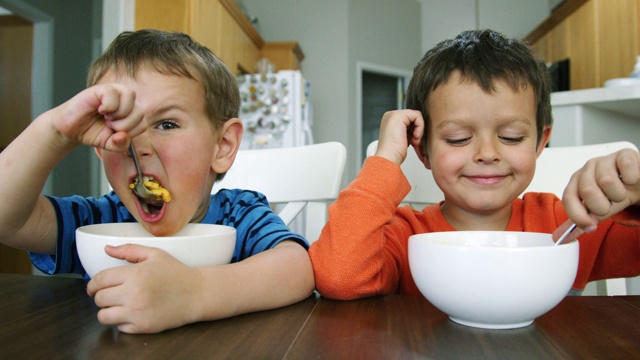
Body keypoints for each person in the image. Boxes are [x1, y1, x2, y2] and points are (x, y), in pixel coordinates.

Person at [0, 29, 314, 333]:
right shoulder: (102, 222)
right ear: (100, 147)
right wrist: (54, 133)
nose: (137, 145)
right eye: (117, 128)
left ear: (223, 146)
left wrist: (195, 293)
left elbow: (297, 269)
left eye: (166, 123)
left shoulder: (239, 215)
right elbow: (8, 221)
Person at [309, 29, 640, 300]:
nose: (487, 153)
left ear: (541, 141)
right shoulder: (405, 235)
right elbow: (338, 277)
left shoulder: (571, 224)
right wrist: (385, 159)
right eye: (457, 139)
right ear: (422, 150)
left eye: (511, 137)